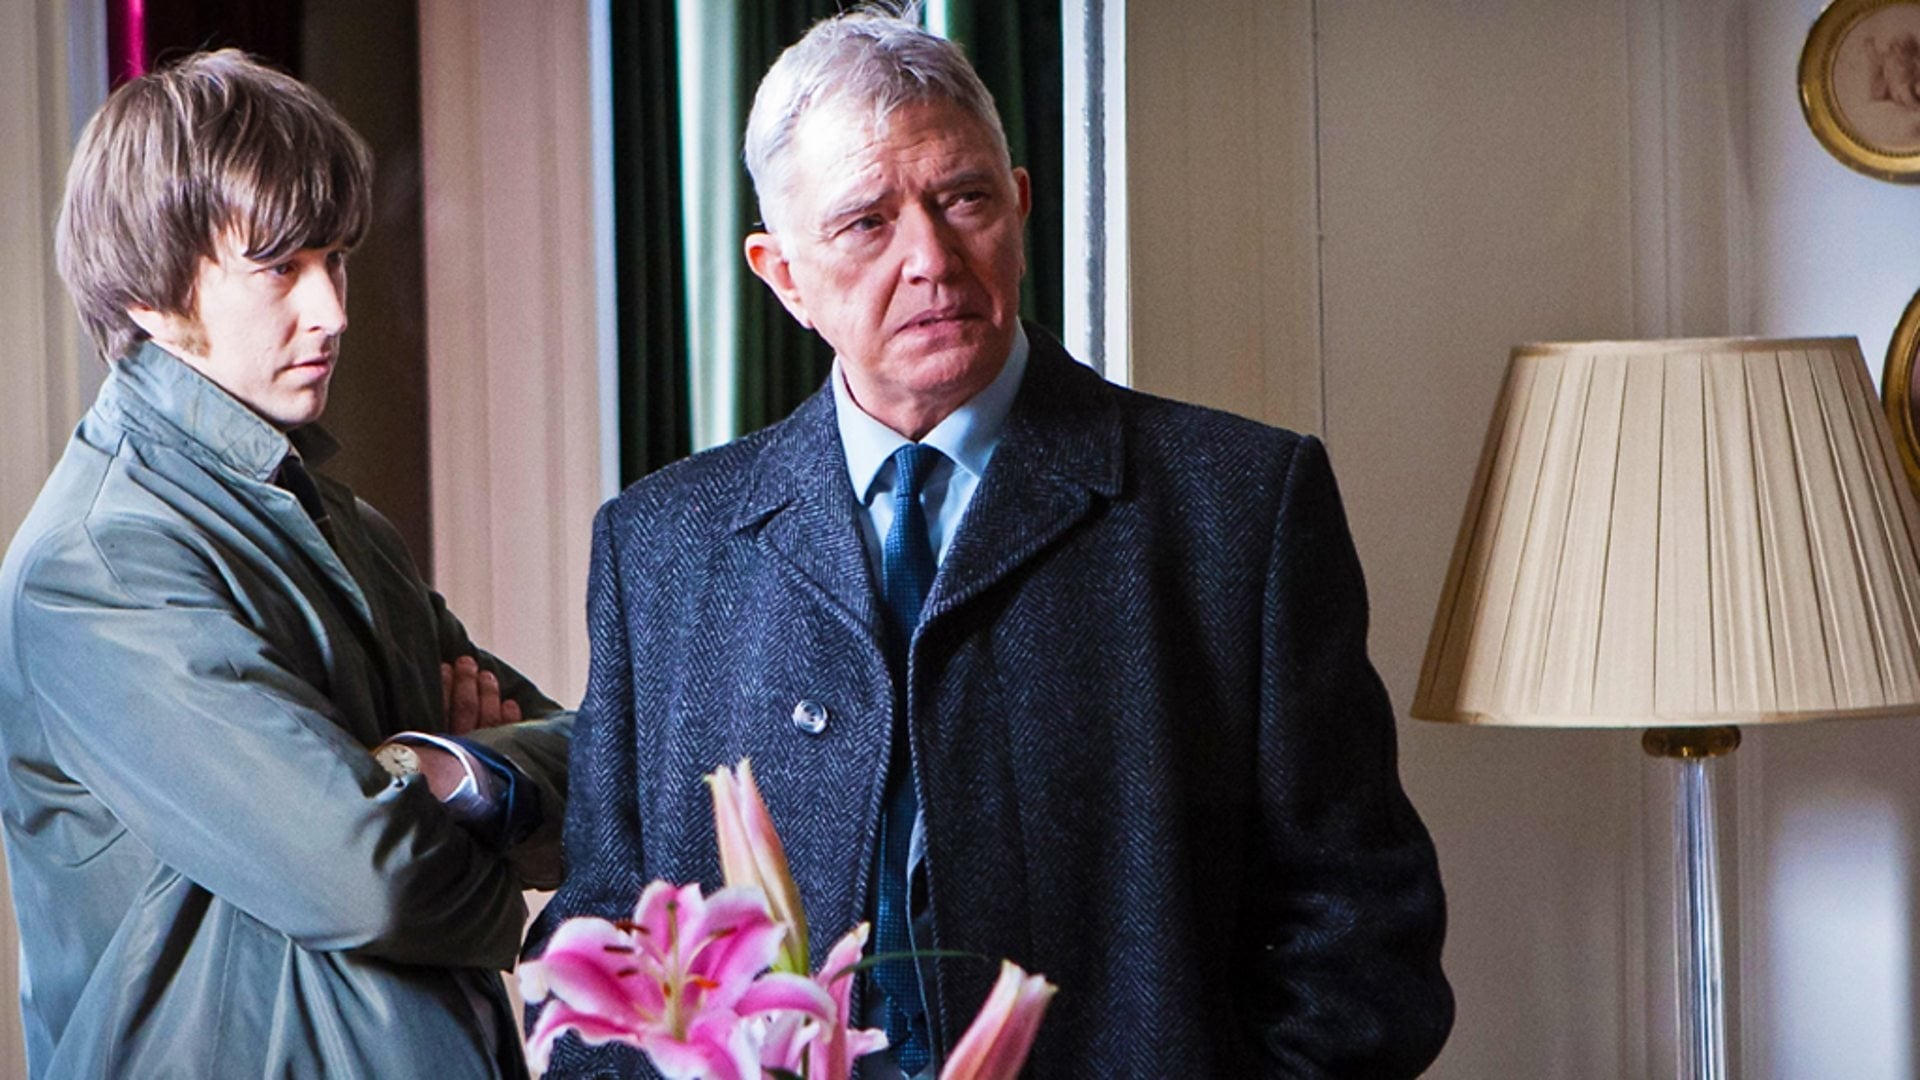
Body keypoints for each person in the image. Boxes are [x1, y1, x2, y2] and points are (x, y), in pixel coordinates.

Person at [537, 7, 1451, 1076]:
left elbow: (1362, 943)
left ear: (1019, 204)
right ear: (781, 274)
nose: (931, 258)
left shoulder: (1239, 505)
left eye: (963, 198)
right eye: (866, 223)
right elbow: (604, 938)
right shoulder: (659, 547)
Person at [0, 50, 571, 1078]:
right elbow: (369, 879)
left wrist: (460, 771)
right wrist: (465, 807)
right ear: (150, 293)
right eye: (279, 267)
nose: (333, 311)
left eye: (335, 259)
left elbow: (605, 774)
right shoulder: (98, 562)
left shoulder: (344, 525)